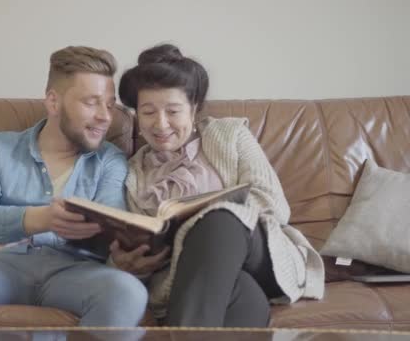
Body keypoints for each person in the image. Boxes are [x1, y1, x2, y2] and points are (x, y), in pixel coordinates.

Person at [0, 46, 148, 328]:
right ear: (53, 102)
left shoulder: (110, 159)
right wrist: (40, 219)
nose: (105, 117)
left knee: (128, 291)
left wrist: (123, 251)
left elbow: (112, 221)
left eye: (109, 104)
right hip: (3, 264)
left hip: (77, 272)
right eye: (91, 102)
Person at [111, 44, 325, 327]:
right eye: (148, 112)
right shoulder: (135, 171)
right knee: (241, 293)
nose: (161, 124)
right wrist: (130, 262)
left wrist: (203, 215)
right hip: (192, 276)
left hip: (260, 252)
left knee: (218, 221)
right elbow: (140, 239)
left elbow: (273, 203)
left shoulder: (231, 134)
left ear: (194, 107)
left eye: (173, 111)